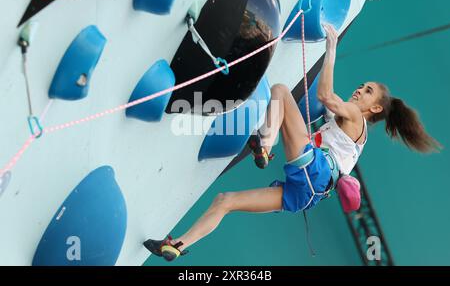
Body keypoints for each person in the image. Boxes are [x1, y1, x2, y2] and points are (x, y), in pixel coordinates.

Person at [143, 24, 441, 262]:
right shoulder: (349, 133)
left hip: (315, 170)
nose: (359, 91)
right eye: (362, 87)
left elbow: (325, 97)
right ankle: (177, 246)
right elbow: (323, 110)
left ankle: (264, 145)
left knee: (282, 91)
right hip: (307, 194)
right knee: (225, 201)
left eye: (367, 92)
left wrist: (331, 48)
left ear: (374, 109)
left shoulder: (356, 118)